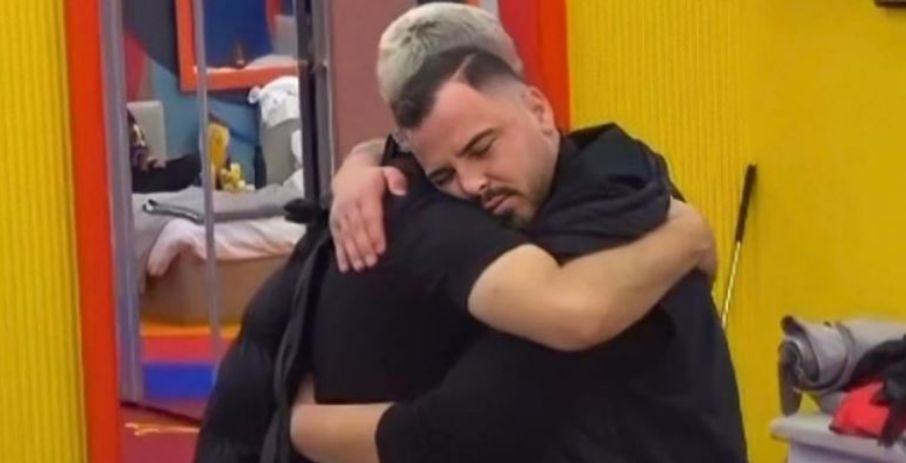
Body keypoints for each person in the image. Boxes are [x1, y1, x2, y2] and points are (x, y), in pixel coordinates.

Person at [287, 5, 745, 463]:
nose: (472, 184)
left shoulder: (606, 217)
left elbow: (454, 429)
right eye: (444, 175)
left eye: (483, 148)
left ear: (538, 108)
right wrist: (360, 165)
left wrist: (301, 427)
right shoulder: (572, 185)